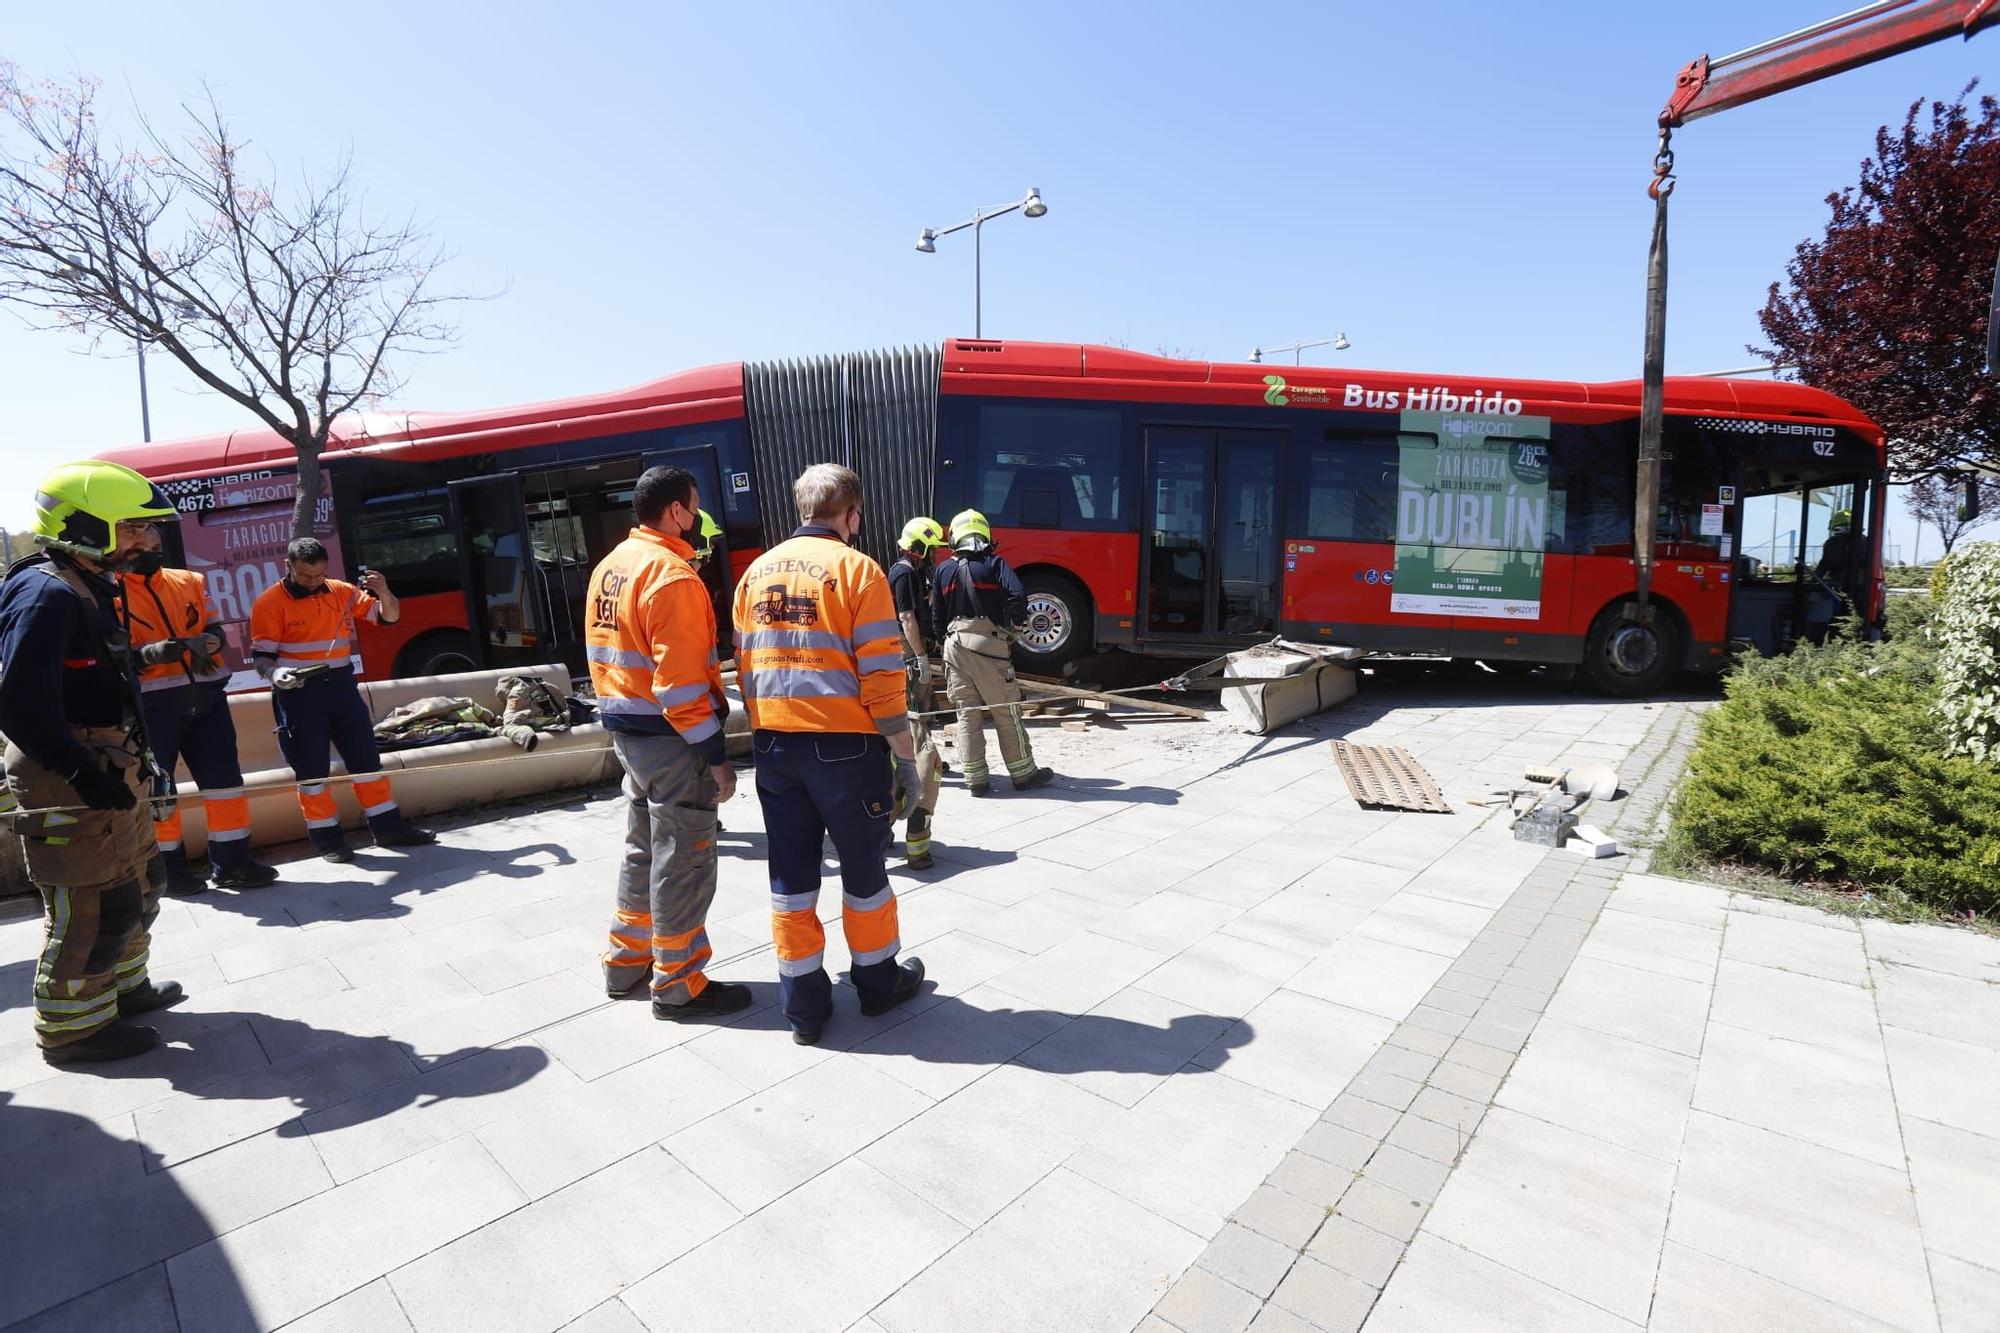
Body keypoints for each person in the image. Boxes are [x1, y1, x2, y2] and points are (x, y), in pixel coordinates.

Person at [0, 460, 187, 1064]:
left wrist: (160, 652)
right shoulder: (45, 593)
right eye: (134, 528)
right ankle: (73, 1030)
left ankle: (121, 991)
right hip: (69, 772)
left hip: (108, 761)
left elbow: (91, 666)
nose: (150, 541)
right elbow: (17, 703)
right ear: (87, 526)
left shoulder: (84, 579)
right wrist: (80, 771)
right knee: (92, 905)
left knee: (139, 884)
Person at [733, 463, 926, 1045]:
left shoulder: (754, 574)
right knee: (864, 870)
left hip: (773, 746)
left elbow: (743, 665)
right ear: (851, 514)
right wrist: (906, 757)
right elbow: (882, 674)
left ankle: (804, 1007)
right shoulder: (858, 570)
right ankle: (875, 982)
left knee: (791, 876)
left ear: (802, 510)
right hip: (846, 748)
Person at [585, 466, 751, 1021]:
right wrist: (716, 757)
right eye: (696, 504)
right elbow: (680, 689)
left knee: (642, 848)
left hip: (628, 735)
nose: (698, 515)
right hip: (672, 740)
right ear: (678, 511)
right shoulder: (672, 577)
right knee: (684, 859)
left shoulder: (613, 565)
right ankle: (679, 983)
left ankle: (626, 961)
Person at [248, 539, 435, 862]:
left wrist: (384, 591)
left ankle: (388, 828)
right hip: (298, 693)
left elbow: (388, 617)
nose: (313, 582)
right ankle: (327, 840)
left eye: (319, 575)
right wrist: (276, 675)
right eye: (306, 576)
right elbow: (262, 658)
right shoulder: (269, 603)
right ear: (288, 566)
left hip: (341, 687)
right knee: (312, 770)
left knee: (366, 760)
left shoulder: (341, 591)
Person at [119, 529, 278, 892]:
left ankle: (234, 863)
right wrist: (154, 654)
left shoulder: (189, 580)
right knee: (160, 790)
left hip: (206, 698)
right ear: (123, 550)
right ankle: (167, 872)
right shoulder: (112, 593)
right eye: (141, 549)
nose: (151, 554)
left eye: (157, 548)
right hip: (152, 707)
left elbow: (212, 624)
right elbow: (114, 658)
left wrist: (213, 640)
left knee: (225, 785)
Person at [931, 509, 1054, 796]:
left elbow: (935, 616)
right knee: (1006, 712)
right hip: (988, 645)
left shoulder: (943, 570)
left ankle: (976, 781)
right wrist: (1017, 626)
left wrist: (944, 642)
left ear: (955, 537)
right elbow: (1018, 595)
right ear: (984, 535)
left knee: (966, 714)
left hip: (953, 646)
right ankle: (1024, 774)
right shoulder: (994, 563)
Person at [887, 517, 946, 870]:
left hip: (903, 654)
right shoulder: (905, 572)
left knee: (917, 723)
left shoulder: (908, 572)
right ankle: (917, 844)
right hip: (906, 655)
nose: (934, 555)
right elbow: (907, 616)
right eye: (932, 548)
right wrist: (920, 656)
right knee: (914, 732)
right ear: (918, 546)